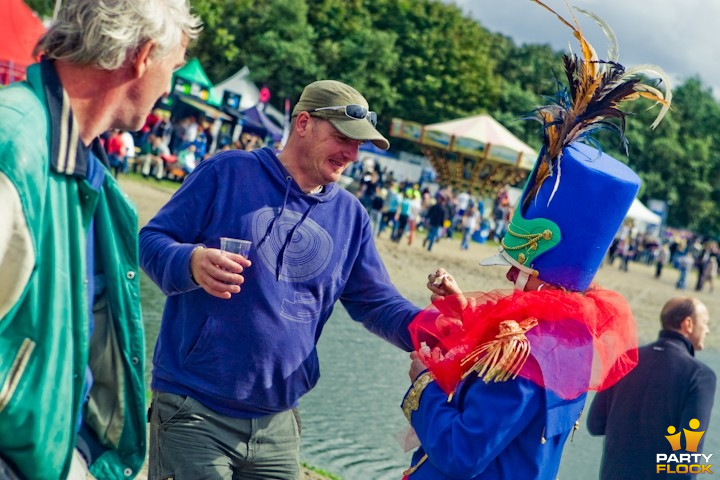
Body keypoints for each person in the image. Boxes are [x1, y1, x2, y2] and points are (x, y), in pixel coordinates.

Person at [398, 4, 671, 478]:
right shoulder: (573, 341)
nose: (507, 274)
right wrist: (464, 309)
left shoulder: (521, 352)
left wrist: (421, 387)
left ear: (540, 273)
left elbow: (463, 454)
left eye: (519, 264)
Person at [139, 79, 421, 479]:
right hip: (194, 409)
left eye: (360, 145)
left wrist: (433, 327)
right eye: (343, 137)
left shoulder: (351, 216)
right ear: (303, 123)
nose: (353, 154)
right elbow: (150, 241)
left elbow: (376, 303)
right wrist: (191, 261)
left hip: (278, 424)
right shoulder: (228, 172)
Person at [0, 1, 201, 479]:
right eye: (173, 69)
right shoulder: (16, 148)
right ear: (143, 55)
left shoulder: (83, 169)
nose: (171, 89)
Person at [587, 297, 716, 480]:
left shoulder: (626, 359)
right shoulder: (700, 376)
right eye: (705, 323)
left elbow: (595, 424)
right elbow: (687, 458)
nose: (707, 330)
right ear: (688, 324)